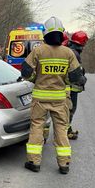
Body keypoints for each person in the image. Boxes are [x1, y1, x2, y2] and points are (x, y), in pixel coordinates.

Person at [21, 16, 86, 174]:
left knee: (37, 127)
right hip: (59, 99)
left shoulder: (38, 51)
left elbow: (25, 72)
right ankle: (64, 164)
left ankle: (33, 162)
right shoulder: (68, 53)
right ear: (61, 33)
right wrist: (65, 81)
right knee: (61, 130)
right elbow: (77, 78)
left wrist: (35, 78)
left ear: (46, 33)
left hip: (40, 99)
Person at [66, 31, 89, 140]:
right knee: (71, 109)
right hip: (71, 87)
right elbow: (75, 73)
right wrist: (83, 79)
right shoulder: (75, 54)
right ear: (82, 43)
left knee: (67, 110)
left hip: (68, 86)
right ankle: (67, 131)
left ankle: (66, 130)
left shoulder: (70, 50)